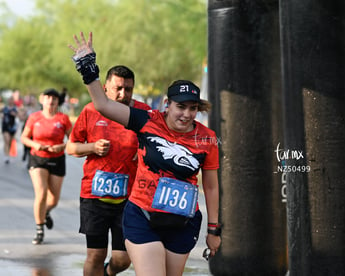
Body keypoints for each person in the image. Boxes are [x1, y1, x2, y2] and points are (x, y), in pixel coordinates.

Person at [69, 32, 221, 276]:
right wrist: (88, 70)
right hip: (143, 215)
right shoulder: (147, 120)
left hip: (182, 221)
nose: (186, 114)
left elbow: (211, 187)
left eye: (193, 108)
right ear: (167, 104)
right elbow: (103, 105)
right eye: (180, 107)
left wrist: (213, 230)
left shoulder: (207, 137)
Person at [66, 65, 150, 276]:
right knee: (95, 255)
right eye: (118, 88)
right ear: (105, 88)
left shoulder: (143, 113)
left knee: (123, 259)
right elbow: (71, 147)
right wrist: (92, 147)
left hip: (130, 198)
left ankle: (107, 273)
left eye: (128, 89)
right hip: (94, 196)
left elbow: (158, 145)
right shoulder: (90, 110)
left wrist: (144, 152)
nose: (123, 94)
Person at [20, 88, 72, 245]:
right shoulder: (34, 117)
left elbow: (73, 140)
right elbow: (24, 137)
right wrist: (35, 144)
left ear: (58, 102)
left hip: (57, 160)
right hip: (38, 159)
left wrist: (62, 146)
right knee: (41, 194)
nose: (51, 101)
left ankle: (46, 211)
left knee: (54, 200)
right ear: (42, 99)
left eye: (54, 98)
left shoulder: (63, 119)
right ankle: (39, 229)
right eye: (48, 98)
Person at [1, 97, 18, 164]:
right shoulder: (4, 108)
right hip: (5, 127)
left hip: (12, 127)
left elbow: (18, 115)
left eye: (11, 100)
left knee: (10, 142)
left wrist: (14, 114)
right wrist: (1, 115)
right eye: (9, 100)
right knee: (7, 141)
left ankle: (8, 154)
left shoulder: (15, 108)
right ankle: (6, 156)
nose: (10, 101)